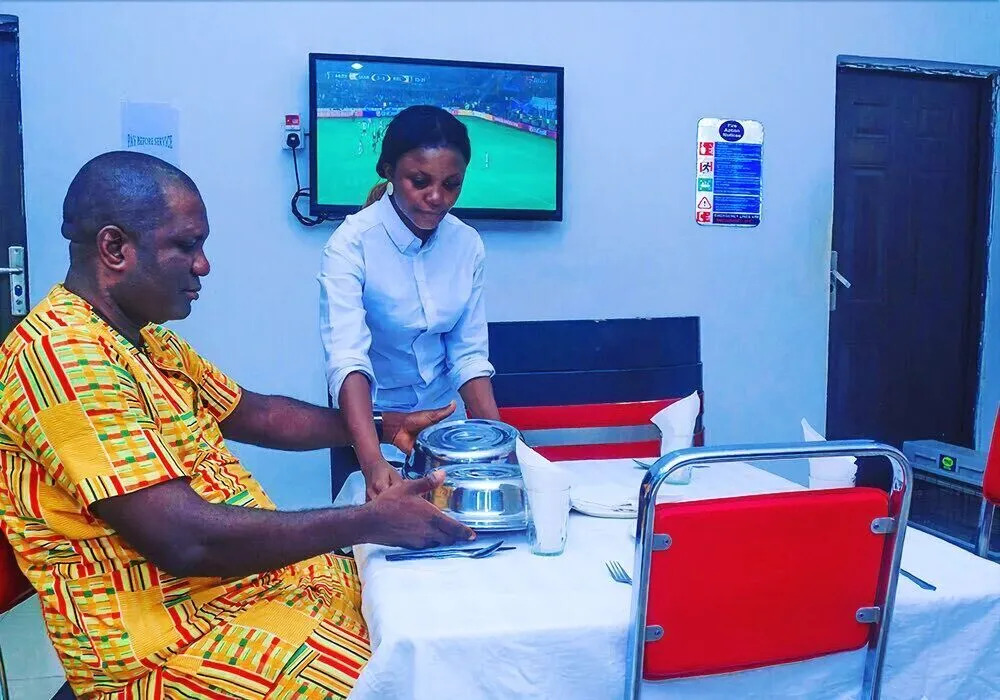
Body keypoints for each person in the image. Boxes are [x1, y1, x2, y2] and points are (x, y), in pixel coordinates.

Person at [0, 151, 475, 699]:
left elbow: (258, 414)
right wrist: (365, 521)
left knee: (442, 618)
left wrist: (380, 425)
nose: (203, 265)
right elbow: (186, 541)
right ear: (114, 249)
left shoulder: (145, 339)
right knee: (417, 681)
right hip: (173, 648)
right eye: (186, 245)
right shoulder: (62, 358)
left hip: (250, 592)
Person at [319, 105, 501, 502]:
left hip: (446, 430)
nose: (436, 198)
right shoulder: (350, 245)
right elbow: (348, 360)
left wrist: (504, 448)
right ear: (388, 170)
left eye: (452, 184)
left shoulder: (466, 244)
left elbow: (468, 357)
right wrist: (372, 462)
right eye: (419, 181)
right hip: (373, 429)